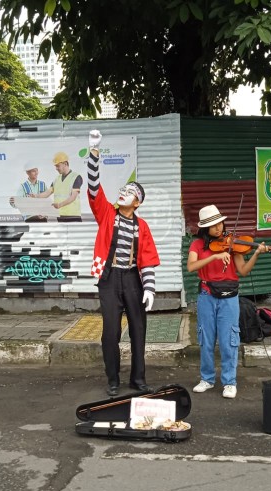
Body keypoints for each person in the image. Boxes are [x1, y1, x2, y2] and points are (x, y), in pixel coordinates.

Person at [87, 129, 160, 397]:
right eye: (123, 189)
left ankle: (138, 380)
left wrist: (149, 289)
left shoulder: (143, 226)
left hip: (132, 280)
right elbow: (94, 188)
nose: (123, 192)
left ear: (137, 201)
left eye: (129, 191)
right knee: (110, 334)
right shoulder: (107, 214)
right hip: (108, 279)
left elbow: (147, 261)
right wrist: (94, 153)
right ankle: (113, 379)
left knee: (139, 331)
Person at [187, 205, 270, 399]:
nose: (218, 228)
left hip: (229, 298)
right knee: (206, 339)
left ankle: (229, 382)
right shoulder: (197, 245)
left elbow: (243, 271)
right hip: (207, 296)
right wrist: (214, 256)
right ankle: (207, 379)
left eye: (220, 223)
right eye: (213, 226)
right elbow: (191, 266)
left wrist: (256, 253)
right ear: (205, 228)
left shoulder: (232, 244)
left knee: (228, 341)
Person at [32, 151, 83, 222]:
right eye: (55, 166)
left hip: (73, 216)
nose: (56, 168)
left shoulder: (76, 177)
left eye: (58, 165)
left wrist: (60, 205)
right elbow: (47, 193)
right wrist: (36, 196)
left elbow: (73, 197)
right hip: (60, 216)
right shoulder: (57, 179)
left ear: (65, 164)